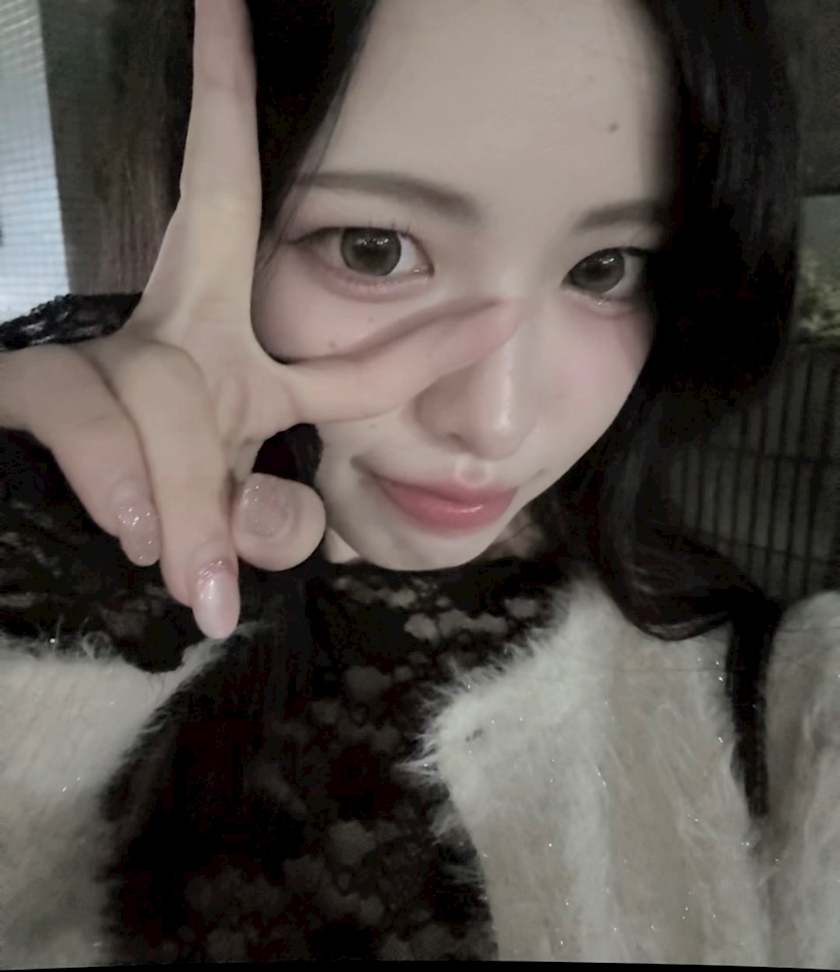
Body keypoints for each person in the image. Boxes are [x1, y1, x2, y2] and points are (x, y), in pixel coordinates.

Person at [0, 0, 833, 964]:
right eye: (375, 250)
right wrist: (61, 565)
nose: (496, 420)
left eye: (606, 268)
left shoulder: (794, 717)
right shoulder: (42, 569)